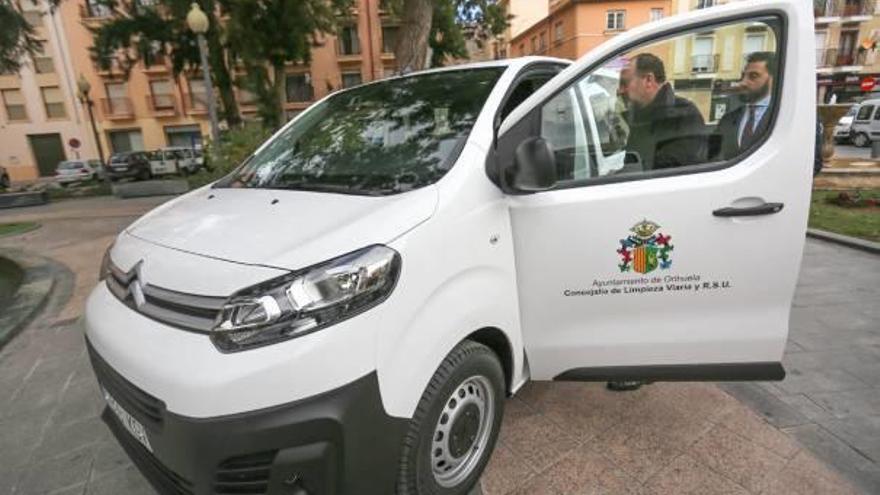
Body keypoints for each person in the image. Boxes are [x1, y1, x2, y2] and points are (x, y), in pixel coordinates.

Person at [619, 53, 707, 172]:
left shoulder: (684, 115)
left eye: (625, 83)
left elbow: (674, 175)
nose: (620, 90)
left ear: (649, 80)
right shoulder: (639, 116)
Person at [714, 51, 776, 160]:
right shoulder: (727, 120)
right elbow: (714, 156)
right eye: (743, 76)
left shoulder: (784, 116)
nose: (743, 82)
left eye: (753, 76)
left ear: (773, 79)